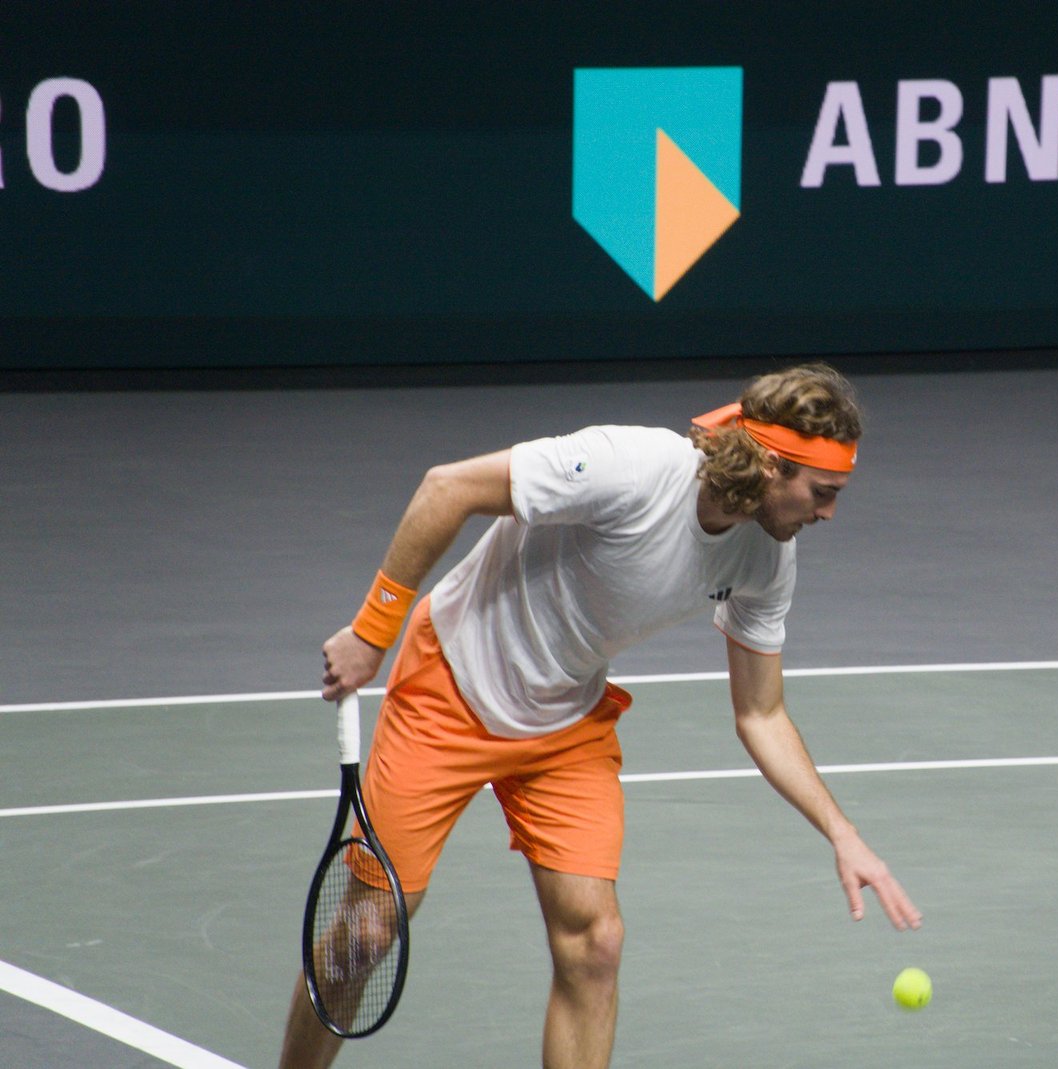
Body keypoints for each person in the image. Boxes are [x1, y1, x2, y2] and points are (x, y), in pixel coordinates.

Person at [278, 362, 921, 1069]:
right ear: (772, 466)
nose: (829, 513)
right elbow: (448, 486)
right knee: (364, 937)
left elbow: (762, 714)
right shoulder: (631, 466)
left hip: (565, 725)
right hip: (450, 691)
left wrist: (842, 832)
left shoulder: (768, 559)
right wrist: (374, 630)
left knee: (596, 944)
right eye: (823, 492)